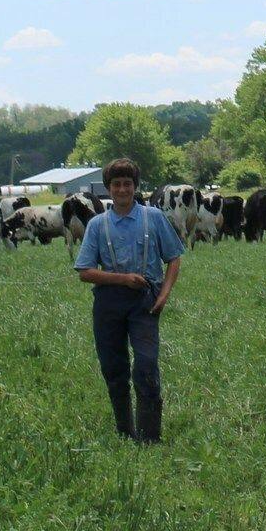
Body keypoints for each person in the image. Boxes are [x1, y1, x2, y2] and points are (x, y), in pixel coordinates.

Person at [74, 158, 183, 444]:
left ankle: (150, 437)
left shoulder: (154, 217)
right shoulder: (98, 225)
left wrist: (164, 294)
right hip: (108, 302)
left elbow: (173, 258)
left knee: (146, 364)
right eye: (116, 185)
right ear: (108, 189)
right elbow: (85, 272)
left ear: (135, 187)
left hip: (145, 301)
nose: (122, 190)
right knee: (114, 366)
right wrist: (122, 279)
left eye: (127, 184)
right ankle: (125, 430)